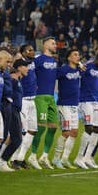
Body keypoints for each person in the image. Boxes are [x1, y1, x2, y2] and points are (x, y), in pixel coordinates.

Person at [75, 50, 98, 169]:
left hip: (95, 101)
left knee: (97, 129)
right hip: (85, 101)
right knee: (89, 128)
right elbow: (77, 78)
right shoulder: (87, 66)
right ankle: (79, 158)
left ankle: (87, 158)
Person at [28, 37, 59, 169]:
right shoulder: (38, 59)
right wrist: (32, 86)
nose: (55, 45)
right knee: (41, 127)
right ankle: (32, 155)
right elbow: (29, 72)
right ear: (45, 45)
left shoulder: (54, 61)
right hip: (40, 97)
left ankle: (44, 156)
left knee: (53, 127)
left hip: (52, 97)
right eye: (53, 43)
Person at [51, 49, 82, 169]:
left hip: (75, 105)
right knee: (66, 132)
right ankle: (56, 159)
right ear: (69, 58)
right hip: (64, 104)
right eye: (75, 54)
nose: (78, 56)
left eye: (78, 54)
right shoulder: (63, 70)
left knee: (74, 133)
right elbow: (52, 77)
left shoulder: (79, 70)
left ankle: (65, 159)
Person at [11, 44, 38, 168]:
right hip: (23, 101)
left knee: (32, 130)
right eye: (29, 50)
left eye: (33, 50)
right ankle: (13, 158)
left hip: (33, 99)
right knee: (22, 131)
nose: (32, 52)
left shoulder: (33, 62)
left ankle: (20, 158)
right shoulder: (18, 64)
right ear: (22, 53)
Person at [0, 59, 29, 170]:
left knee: (12, 138)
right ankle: (2, 161)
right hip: (11, 110)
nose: (27, 69)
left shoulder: (18, 81)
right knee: (16, 139)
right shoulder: (12, 80)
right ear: (19, 68)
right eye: (25, 66)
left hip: (15, 111)